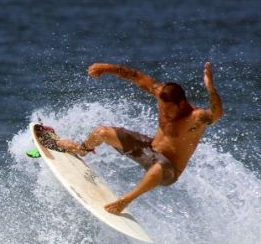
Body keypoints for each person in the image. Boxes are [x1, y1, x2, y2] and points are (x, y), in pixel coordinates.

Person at [38, 62, 223, 215]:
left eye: (169, 109)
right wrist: (106, 68)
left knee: (158, 167)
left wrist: (210, 88)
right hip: (148, 149)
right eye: (162, 107)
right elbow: (137, 76)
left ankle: (125, 201)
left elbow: (217, 113)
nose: (164, 112)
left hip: (169, 170)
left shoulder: (196, 117)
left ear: (182, 103)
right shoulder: (161, 94)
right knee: (102, 132)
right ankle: (81, 149)